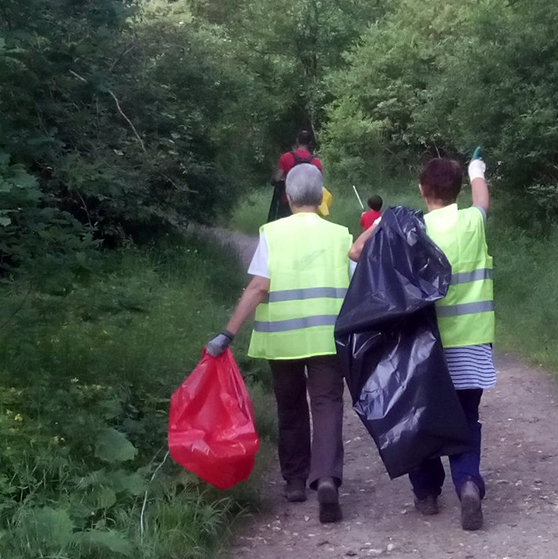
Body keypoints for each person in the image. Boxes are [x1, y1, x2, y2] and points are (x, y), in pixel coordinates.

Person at [350, 154, 494, 531]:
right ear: (457, 189)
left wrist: (381, 225)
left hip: (421, 347)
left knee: (419, 415)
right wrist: (477, 170)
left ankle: (427, 492)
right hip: (472, 342)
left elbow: (356, 252)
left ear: (421, 190)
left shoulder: (407, 228)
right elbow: (481, 199)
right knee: (467, 417)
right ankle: (467, 483)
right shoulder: (472, 222)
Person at [208, 163, 352, 523]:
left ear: (287, 198)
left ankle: (295, 481)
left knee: (290, 407)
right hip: (327, 339)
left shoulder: (271, 233)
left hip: (282, 339)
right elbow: (357, 288)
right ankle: (327, 478)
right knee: (328, 405)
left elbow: (258, 287)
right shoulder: (341, 235)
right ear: (321, 198)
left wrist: (228, 332)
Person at [269, 130, 322, 221]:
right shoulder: (316, 162)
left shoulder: (286, 157)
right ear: (310, 143)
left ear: (297, 141)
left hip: (289, 201)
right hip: (309, 204)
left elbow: (277, 178)